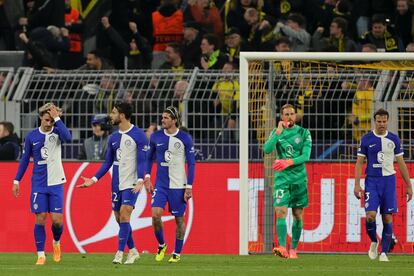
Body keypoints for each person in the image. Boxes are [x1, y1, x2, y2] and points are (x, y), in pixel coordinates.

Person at [77, 102, 148, 264]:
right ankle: (133, 250)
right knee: (119, 217)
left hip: (132, 182)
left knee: (124, 214)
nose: (111, 115)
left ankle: (119, 253)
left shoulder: (139, 135)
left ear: (122, 115)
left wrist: (140, 180)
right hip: (117, 182)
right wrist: (93, 180)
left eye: (114, 112)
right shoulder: (113, 137)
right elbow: (107, 163)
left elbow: (143, 161)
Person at [12, 103, 72, 265]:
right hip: (39, 183)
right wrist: (17, 180)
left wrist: (57, 119)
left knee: (57, 220)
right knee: (40, 217)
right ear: (40, 118)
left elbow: (69, 138)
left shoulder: (59, 132)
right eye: (46, 120)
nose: (48, 123)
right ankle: (40, 254)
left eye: (51, 121)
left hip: (56, 182)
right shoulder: (32, 136)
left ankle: (56, 242)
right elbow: (25, 160)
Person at [137, 106, 195, 263]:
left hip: (178, 186)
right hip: (161, 185)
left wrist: (189, 187)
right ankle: (162, 244)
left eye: (166, 118)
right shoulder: (155, 137)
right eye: (162, 117)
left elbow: (191, 164)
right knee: (155, 215)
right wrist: (147, 177)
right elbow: (149, 158)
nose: (162, 120)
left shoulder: (185, 138)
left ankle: (176, 252)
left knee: (179, 220)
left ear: (174, 120)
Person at [354, 108, 413, 262]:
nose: (381, 124)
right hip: (372, 181)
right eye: (379, 121)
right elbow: (359, 163)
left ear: (388, 121)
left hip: (389, 181)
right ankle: (374, 240)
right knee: (370, 216)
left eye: (384, 121)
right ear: (375, 121)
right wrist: (357, 184)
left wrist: (408, 185)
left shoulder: (394, 139)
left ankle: (384, 253)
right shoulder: (366, 139)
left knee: (387, 217)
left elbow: (401, 163)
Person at [263, 104, 312, 259]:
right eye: (286, 114)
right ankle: (282, 247)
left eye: (292, 114)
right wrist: (277, 133)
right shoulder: (277, 132)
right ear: (281, 117)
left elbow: (305, 156)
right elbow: (267, 149)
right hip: (282, 180)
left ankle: (294, 249)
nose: (290, 117)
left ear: (295, 116)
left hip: (298, 179)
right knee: (280, 212)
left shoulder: (304, 133)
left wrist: (287, 162)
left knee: (298, 214)